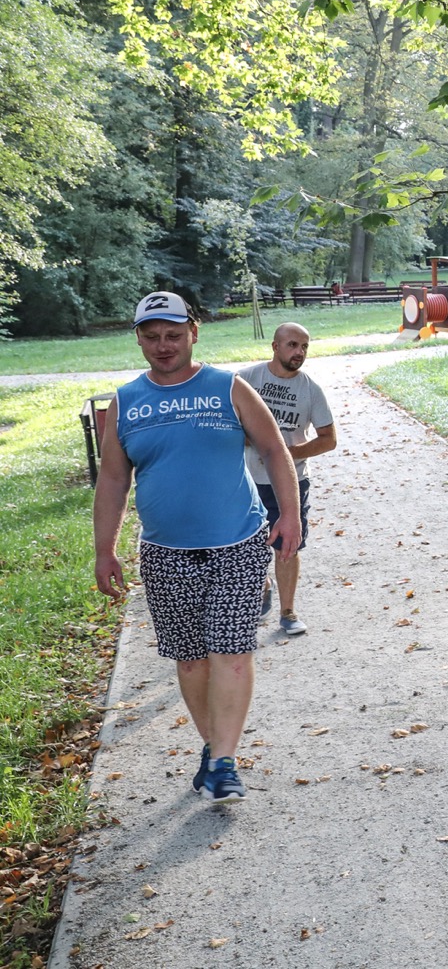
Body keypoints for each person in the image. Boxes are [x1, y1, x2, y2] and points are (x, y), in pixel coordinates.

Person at [93, 291, 302, 804]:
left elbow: (275, 449)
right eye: (151, 336)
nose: (163, 346)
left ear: (193, 333)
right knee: (190, 660)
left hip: (237, 540)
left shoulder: (227, 388)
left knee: (230, 649)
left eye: (173, 334)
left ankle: (226, 762)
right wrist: (105, 549)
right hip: (165, 551)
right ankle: (213, 747)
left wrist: (290, 513)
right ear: (139, 338)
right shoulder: (125, 401)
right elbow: (114, 481)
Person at [237, 322, 338, 636]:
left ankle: (288, 611)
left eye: (305, 347)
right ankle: (263, 585)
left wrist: (285, 453)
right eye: (293, 345)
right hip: (246, 480)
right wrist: (258, 443)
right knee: (247, 547)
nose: (300, 352)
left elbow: (328, 439)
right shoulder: (247, 380)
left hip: (291, 482)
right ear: (275, 346)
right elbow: (226, 425)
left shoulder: (310, 389)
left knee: (288, 547)